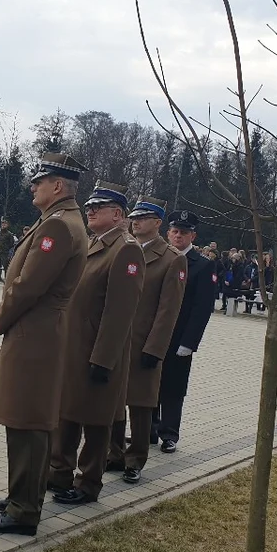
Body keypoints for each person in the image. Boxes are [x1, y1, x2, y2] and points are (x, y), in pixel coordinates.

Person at [0, 152, 88, 536]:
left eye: (39, 181)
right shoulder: (60, 221)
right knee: (25, 420)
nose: (32, 186)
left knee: (27, 421)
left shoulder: (58, 226)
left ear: (57, 186)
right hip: (37, 333)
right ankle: (22, 496)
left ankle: (23, 510)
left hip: (34, 334)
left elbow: (28, 287)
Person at [46, 183, 144, 504]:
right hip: (74, 347)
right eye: (88, 207)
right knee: (67, 413)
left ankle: (88, 483)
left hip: (98, 351)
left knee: (96, 421)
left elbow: (120, 311)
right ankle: (59, 472)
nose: (89, 211)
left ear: (117, 214)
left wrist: (103, 359)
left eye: (96, 208)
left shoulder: (126, 249)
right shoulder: (93, 243)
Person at [108, 197, 185, 485]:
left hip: (143, 343)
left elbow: (168, 311)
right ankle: (113, 453)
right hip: (115, 339)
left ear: (157, 223)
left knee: (140, 404)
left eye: (143, 217)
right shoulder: (124, 249)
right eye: (134, 216)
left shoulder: (171, 258)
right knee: (113, 400)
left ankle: (135, 459)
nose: (135, 221)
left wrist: (155, 349)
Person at [153, 211, 216, 453]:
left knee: (173, 386)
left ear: (193, 236)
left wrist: (189, 342)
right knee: (150, 383)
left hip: (179, 337)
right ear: (168, 233)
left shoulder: (202, 265)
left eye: (184, 232)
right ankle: (148, 429)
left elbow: (202, 308)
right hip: (154, 333)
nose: (178, 236)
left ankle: (169, 433)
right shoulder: (161, 258)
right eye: (175, 231)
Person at [0, 218, 15, 286]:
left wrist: (6, 248)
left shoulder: (9, 234)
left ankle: (7, 282)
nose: (3, 225)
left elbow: (11, 243)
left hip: (5, 253)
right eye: (2, 224)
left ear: (7, 225)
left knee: (6, 267)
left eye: (5, 224)